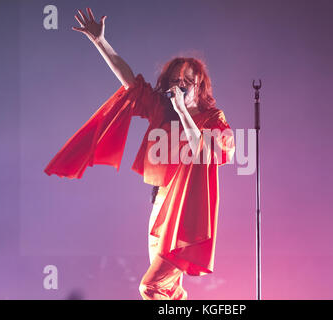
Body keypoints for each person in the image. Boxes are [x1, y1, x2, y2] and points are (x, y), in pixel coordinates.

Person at [44, 7, 235, 300]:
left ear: (200, 84)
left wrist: (183, 111)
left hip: (185, 212)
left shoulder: (212, 117)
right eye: (175, 80)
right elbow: (129, 79)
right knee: (170, 290)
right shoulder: (161, 108)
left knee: (152, 287)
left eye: (188, 80)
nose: (180, 85)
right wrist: (100, 42)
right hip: (159, 204)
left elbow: (207, 150)